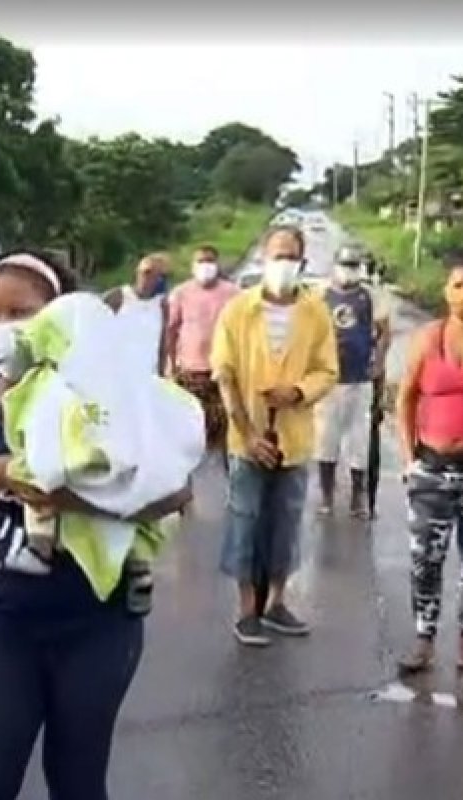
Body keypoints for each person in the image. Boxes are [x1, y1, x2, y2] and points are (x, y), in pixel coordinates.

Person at [0, 250, 187, 799]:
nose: (4, 328)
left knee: (79, 782)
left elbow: (175, 490)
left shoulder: (106, 403)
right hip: (0, 626)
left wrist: (77, 499)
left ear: (61, 317)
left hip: (99, 626)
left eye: (22, 312)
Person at [211, 225, 337, 646]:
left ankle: (277, 603)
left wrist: (299, 391)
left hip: (294, 439)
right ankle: (247, 608)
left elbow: (327, 370)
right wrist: (246, 433)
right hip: (246, 440)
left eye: (291, 256)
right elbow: (224, 375)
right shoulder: (238, 311)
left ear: (301, 262)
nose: (283, 264)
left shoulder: (315, 311)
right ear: (264, 258)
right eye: (277, 255)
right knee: (244, 519)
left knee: (286, 521)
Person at [394, 246, 463, 675]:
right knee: (425, 559)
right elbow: (405, 398)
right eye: (458, 285)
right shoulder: (428, 338)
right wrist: (407, 455)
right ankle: (423, 637)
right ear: (446, 292)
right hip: (432, 467)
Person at [314, 243, 392, 519]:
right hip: (328, 381)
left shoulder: (370, 296)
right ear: (334, 266)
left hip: (360, 380)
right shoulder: (320, 295)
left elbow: (384, 331)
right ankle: (326, 495)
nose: (348, 271)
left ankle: (358, 497)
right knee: (325, 440)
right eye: (344, 265)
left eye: (352, 266)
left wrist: (379, 363)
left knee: (359, 441)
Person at [166, 244, 239, 457]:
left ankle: (227, 477)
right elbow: (170, 331)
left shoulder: (233, 294)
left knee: (226, 433)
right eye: (201, 261)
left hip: (222, 373)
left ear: (217, 264)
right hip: (190, 372)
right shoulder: (181, 293)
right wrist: (170, 366)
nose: (205, 266)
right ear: (192, 266)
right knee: (190, 431)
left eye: (209, 261)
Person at [103, 252, 171, 376]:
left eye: (155, 274)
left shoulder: (162, 304)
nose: (148, 278)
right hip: (116, 371)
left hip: (147, 374)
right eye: (146, 272)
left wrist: (162, 374)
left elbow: (162, 343)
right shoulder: (117, 297)